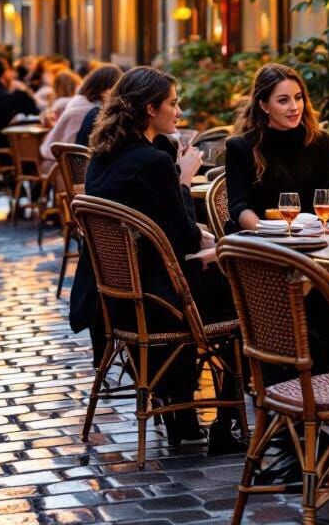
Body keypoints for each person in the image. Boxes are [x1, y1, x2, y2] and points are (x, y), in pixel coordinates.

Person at [68, 66, 240, 454]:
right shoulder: (154, 162)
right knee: (245, 291)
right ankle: (228, 423)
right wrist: (182, 177)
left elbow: (161, 229)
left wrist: (199, 236)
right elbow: (180, 238)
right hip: (159, 299)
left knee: (212, 271)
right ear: (150, 109)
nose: (178, 112)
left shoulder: (104, 156)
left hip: (115, 298)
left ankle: (183, 416)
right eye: (173, 104)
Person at [224, 63, 329, 231]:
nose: (294, 107)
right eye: (283, 100)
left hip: (314, 237)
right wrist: (268, 233)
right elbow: (239, 207)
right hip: (262, 241)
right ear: (264, 105)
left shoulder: (321, 142)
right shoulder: (241, 147)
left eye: (298, 97)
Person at [39, 63, 121, 160]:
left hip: (58, 162)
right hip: (61, 168)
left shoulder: (78, 102)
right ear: (106, 90)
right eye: (116, 89)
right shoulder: (91, 111)